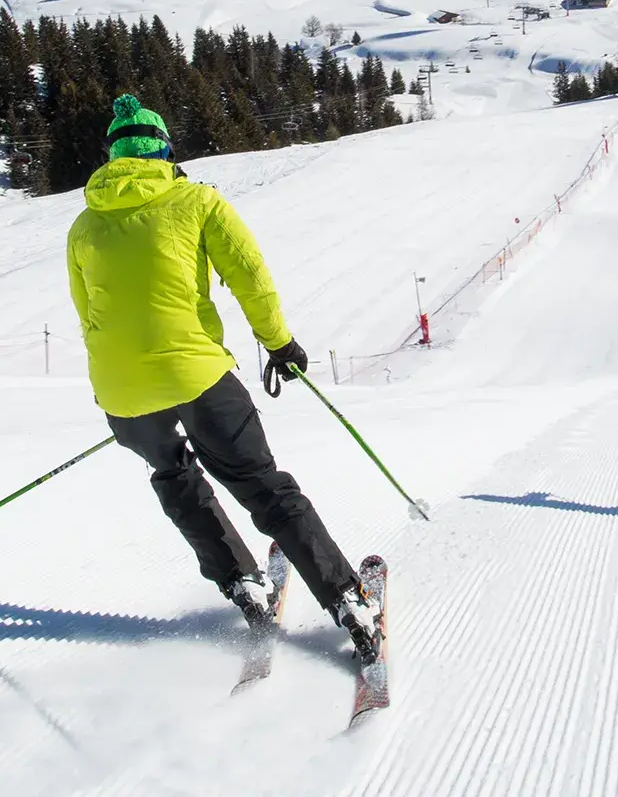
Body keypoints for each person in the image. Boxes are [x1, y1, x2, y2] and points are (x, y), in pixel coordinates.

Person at [65, 94, 381, 659]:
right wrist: (280, 343)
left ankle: (240, 582)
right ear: (165, 149)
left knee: (174, 476)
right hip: (198, 376)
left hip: (123, 395)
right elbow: (250, 277)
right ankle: (347, 599)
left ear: (111, 156)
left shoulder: (84, 224)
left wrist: (116, 390)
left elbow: (87, 314)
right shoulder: (196, 201)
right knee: (261, 485)